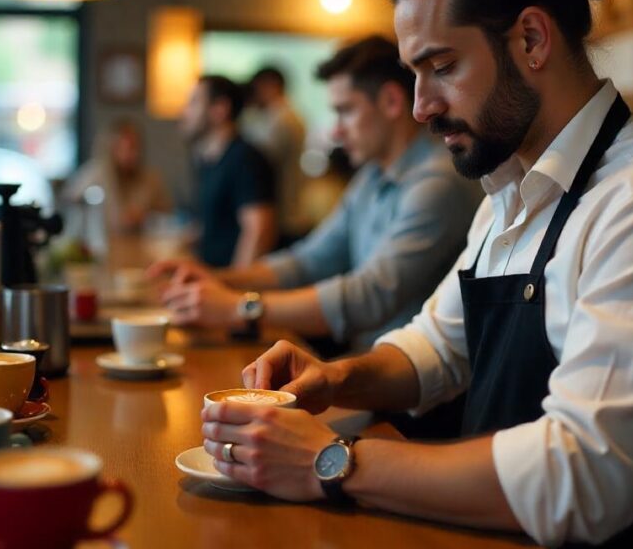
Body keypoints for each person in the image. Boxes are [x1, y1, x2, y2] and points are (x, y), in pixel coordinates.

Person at [198, 0, 633, 549]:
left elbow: (583, 478)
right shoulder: (510, 188)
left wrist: (333, 461)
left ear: (531, 38)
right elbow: (438, 348)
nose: (420, 106)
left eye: (440, 66)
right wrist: (335, 378)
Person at [153, 36, 480, 358]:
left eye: (345, 111)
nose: (336, 131)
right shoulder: (372, 175)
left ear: (392, 102)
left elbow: (371, 296)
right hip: (369, 363)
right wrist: (218, 279)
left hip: (413, 390)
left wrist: (241, 308)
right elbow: (310, 260)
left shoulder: (438, 182)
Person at [182, 75, 277, 268]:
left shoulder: (245, 158)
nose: (185, 112)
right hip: (210, 276)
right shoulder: (208, 160)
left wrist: (234, 290)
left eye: (193, 103)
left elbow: (258, 232)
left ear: (220, 109)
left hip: (229, 286)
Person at [63, 116, 172, 235]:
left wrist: (146, 217)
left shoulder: (151, 179)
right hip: (104, 244)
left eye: (136, 147)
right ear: (111, 148)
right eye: (126, 148)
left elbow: (167, 215)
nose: (132, 154)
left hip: (141, 244)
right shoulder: (94, 174)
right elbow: (71, 202)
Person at [240, 66, 308, 244]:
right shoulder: (281, 117)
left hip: (284, 214)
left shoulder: (284, 119)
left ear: (271, 86)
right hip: (287, 210)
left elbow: (260, 160)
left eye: (257, 88)